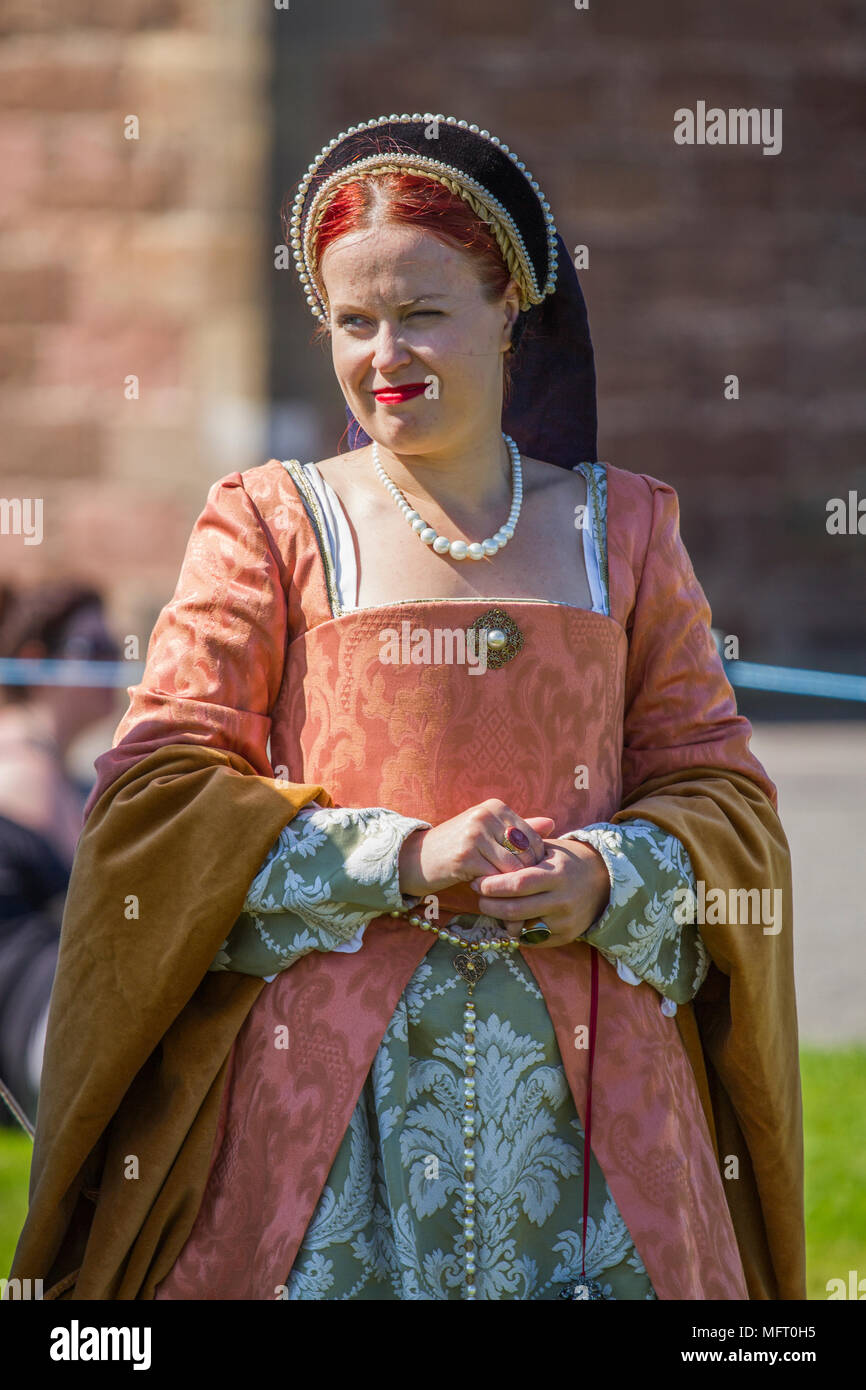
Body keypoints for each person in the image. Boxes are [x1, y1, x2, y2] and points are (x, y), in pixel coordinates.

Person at [11, 114, 804, 1301]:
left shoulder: (624, 531)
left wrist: (604, 873)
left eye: (422, 312)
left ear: (508, 310)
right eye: (352, 319)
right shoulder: (269, 525)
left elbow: (721, 795)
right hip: (327, 1114)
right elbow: (160, 791)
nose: (385, 353)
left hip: (594, 1106)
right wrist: (404, 856)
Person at [0, 583, 119, 1127]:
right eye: (92, 649)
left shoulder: (65, 778)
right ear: (34, 662)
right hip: (27, 1019)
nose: (112, 664)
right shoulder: (16, 764)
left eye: (113, 648)